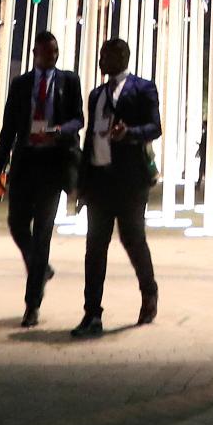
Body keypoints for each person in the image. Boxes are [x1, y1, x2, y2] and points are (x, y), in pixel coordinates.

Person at [0, 33, 81, 327]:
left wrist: (59, 131)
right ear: (35, 53)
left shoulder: (69, 81)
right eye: (47, 51)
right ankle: (40, 267)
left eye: (55, 51)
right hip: (25, 163)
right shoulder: (21, 85)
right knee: (16, 223)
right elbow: (9, 128)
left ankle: (32, 304)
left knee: (43, 234)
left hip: (53, 166)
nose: (52, 55)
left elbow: (78, 119)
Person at [74, 38, 161, 336]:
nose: (100, 61)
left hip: (130, 182)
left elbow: (155, 127)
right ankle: (92, 313)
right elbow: (90, 139)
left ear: (121, 57)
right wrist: (82, 184)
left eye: (105, 56)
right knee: (94, 248)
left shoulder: (143, 89)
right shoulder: (96, 95)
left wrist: (129, 132)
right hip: (99, 181)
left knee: (133, 239)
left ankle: (149, 292)